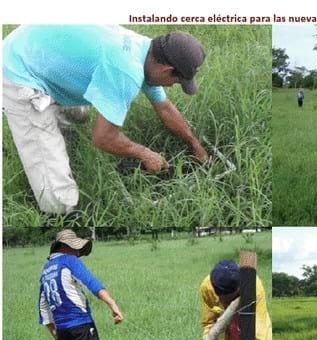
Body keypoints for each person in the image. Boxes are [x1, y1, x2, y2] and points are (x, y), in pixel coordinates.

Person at [3, 25, 209, 215]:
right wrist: (146, 154)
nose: (174, 86)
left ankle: (66, 145)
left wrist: (195, 145)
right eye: (177, 80)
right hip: (18, 68)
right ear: (166, 70)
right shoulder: (126, 71)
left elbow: (165, 109)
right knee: (47, 165)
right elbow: (103, 138)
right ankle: (61, 217)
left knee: (77, 116)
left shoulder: (146, 52)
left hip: (39, 47)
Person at [38, 229, 124, 340]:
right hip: (81, 326)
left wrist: (55, 333)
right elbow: (91, 282)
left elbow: (43, 308)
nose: (78, 253)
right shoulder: (69, 261)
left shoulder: (46, 270)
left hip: (63, 331)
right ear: (64, 247)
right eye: (75, 248)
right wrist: (113, 304)